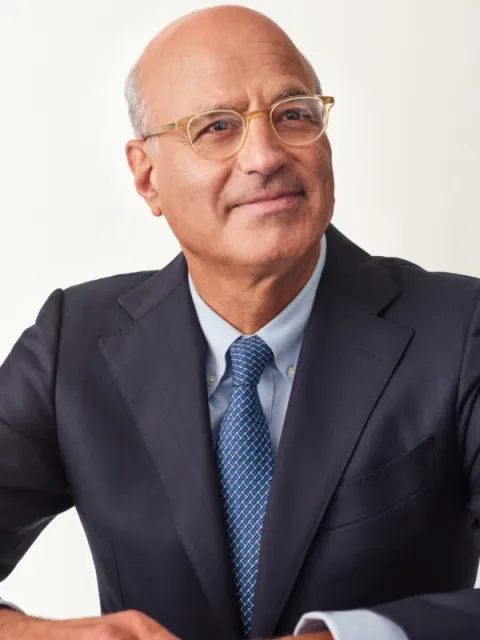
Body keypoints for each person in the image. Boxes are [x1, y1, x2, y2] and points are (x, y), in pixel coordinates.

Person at [0, 4, 480, 640]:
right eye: (217, 127)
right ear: (146, 176)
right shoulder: (73, 344)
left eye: (293, 115)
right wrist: (46, 636)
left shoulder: (460, 331)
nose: (264, 155)